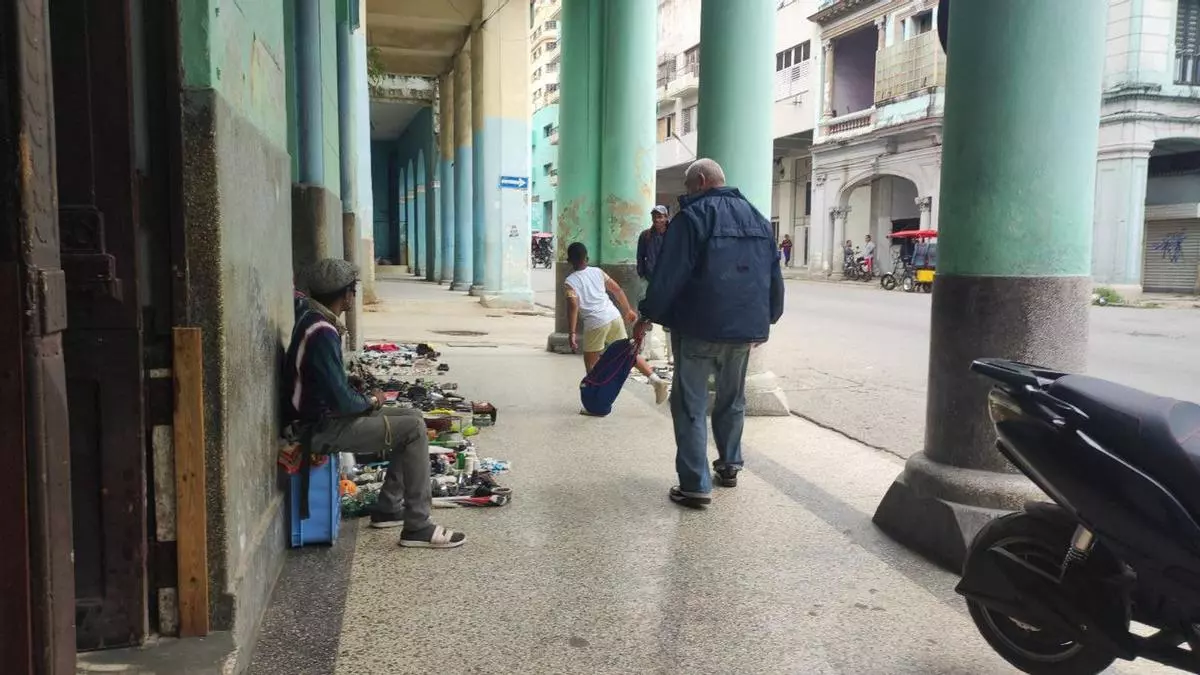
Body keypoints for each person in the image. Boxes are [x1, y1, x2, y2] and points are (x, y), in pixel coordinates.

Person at [282, 258, 466, 548]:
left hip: (318, 418)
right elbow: (343, 403)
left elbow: (325, 383)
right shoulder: (322, 333)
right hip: (318, 429)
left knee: (413, 415)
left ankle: (388, 507)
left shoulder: (311, 318)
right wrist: (371, 399)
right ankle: (417, 525)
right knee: (413, 430)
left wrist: (351, 387)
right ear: (347, 294)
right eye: (353, 290)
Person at [636, 158, 784, 508]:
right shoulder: (759, 218)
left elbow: (669, 275)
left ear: (700, 181)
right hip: (744, 330)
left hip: (698, 328)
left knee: (690, 404)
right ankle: (729, 465)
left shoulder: (692, 218)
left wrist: (647, 313)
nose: (688, 195)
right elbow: (773, 275)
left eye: (689, 188)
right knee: (732, 399)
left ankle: (695, 484)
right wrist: (769, 317)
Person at [564, 242, 670, 406]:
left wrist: (571, 333)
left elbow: (573, 305)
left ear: (569, 260)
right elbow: (617, 290)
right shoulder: (598, 272)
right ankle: (656, 381)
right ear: (587, 258)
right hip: (613, 316)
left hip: (595, 323)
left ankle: (595, 401)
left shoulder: (570, 282)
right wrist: (627, 310)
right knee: (628, 353)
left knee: (591, 364)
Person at [637, 205, 673, 364]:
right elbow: (640, 256)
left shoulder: (673, 235)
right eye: (655, 217)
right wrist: (642, 273)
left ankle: (671, 354)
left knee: (670, 317)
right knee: (646, 315)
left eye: (660, 217)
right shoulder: (646, 236)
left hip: (668, 281)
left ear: (666, 218)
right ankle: (645, 350)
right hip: (649, 279)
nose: (657, 220)